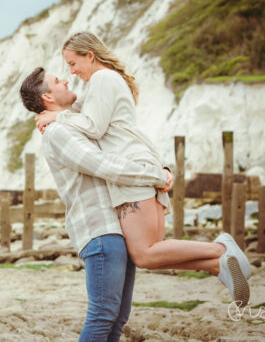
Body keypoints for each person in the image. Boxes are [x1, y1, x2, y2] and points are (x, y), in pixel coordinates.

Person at [32, 32, 251, 307]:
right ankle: (218, 265)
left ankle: (220, 249)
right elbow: (80, 110)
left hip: (130, 170)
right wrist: (53, 111)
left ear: (90, 55)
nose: (71, 72)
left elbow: (94, 127)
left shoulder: (102, 78)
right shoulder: (104, 83)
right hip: (138, 165)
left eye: (73, 63)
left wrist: (57, 115)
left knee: (146, 254)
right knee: (150, 253)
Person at [20, 67, 172, 341]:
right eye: (57, 81)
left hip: (117, 231)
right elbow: (103, 165)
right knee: (103, 315)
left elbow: (109, 126)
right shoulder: (58, 133)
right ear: (47, 98)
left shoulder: (75, 122)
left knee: (117, 320)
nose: (66, 79)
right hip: (101, 232)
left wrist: (160, 167)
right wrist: (156, 175)